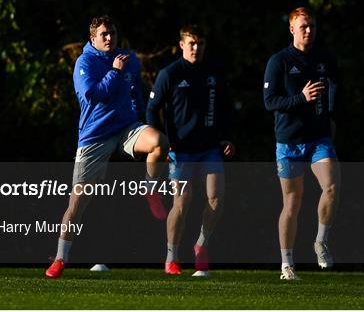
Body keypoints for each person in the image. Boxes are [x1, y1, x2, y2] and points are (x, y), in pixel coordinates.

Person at [45, 15, 169, 279]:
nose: (109, 38)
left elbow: (136, 93)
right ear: (93, 38)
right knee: (77, 203)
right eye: (104, 34)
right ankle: (59, 259)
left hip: (125, 128)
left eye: (112, 33)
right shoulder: (85, 62)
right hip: (95, 135)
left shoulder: (128, 58)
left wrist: (141, 122)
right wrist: (114, 71)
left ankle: (149, 188)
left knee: (159, 142)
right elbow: (91, 95)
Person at [146, 24, 234, 277]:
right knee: (182, 203)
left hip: (209, 148)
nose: (196, 48)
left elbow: (225, 109)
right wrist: (162, 142)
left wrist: (227, 137)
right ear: (182, 44)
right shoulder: (170, 73)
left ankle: (201, 245)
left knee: (217, 198)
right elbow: (152, 109)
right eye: (191, 43)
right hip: (181, 150)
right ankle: (171, 257)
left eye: (201, 43)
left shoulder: (214, 73)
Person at [263, 7, 341, 280]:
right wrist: (301, 98)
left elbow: (335, 85)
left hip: (318, 138)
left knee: (331, 187)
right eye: (304, 26)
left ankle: (321, 241)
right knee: (292, 204)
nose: (309, 31)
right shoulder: (279, 61)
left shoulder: (324, 57)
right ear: (292, 29)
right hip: (289, 141)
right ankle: (287, 264)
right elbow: (269, 101)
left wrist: (330, 115)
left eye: (313, 26)